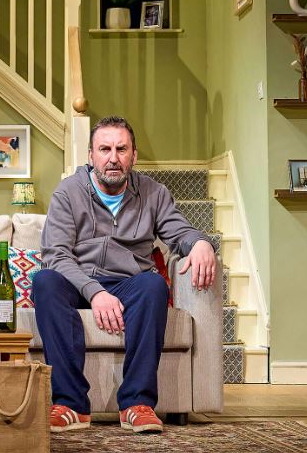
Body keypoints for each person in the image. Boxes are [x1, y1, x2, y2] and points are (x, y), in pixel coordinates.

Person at [33, 116, 216, 434]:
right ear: (91, 155)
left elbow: (179, 231)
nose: (113, 158)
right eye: (104, 149)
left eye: (121, 149)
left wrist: (201, 243)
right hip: (78, 282)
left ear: (134, 155)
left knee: (154, 285)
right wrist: (95, 292)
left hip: (128, 282)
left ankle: (136, 403)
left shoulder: (153, 193)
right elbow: (56, 254)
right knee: (45, 281)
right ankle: (70, 404)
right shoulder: (68, 192)